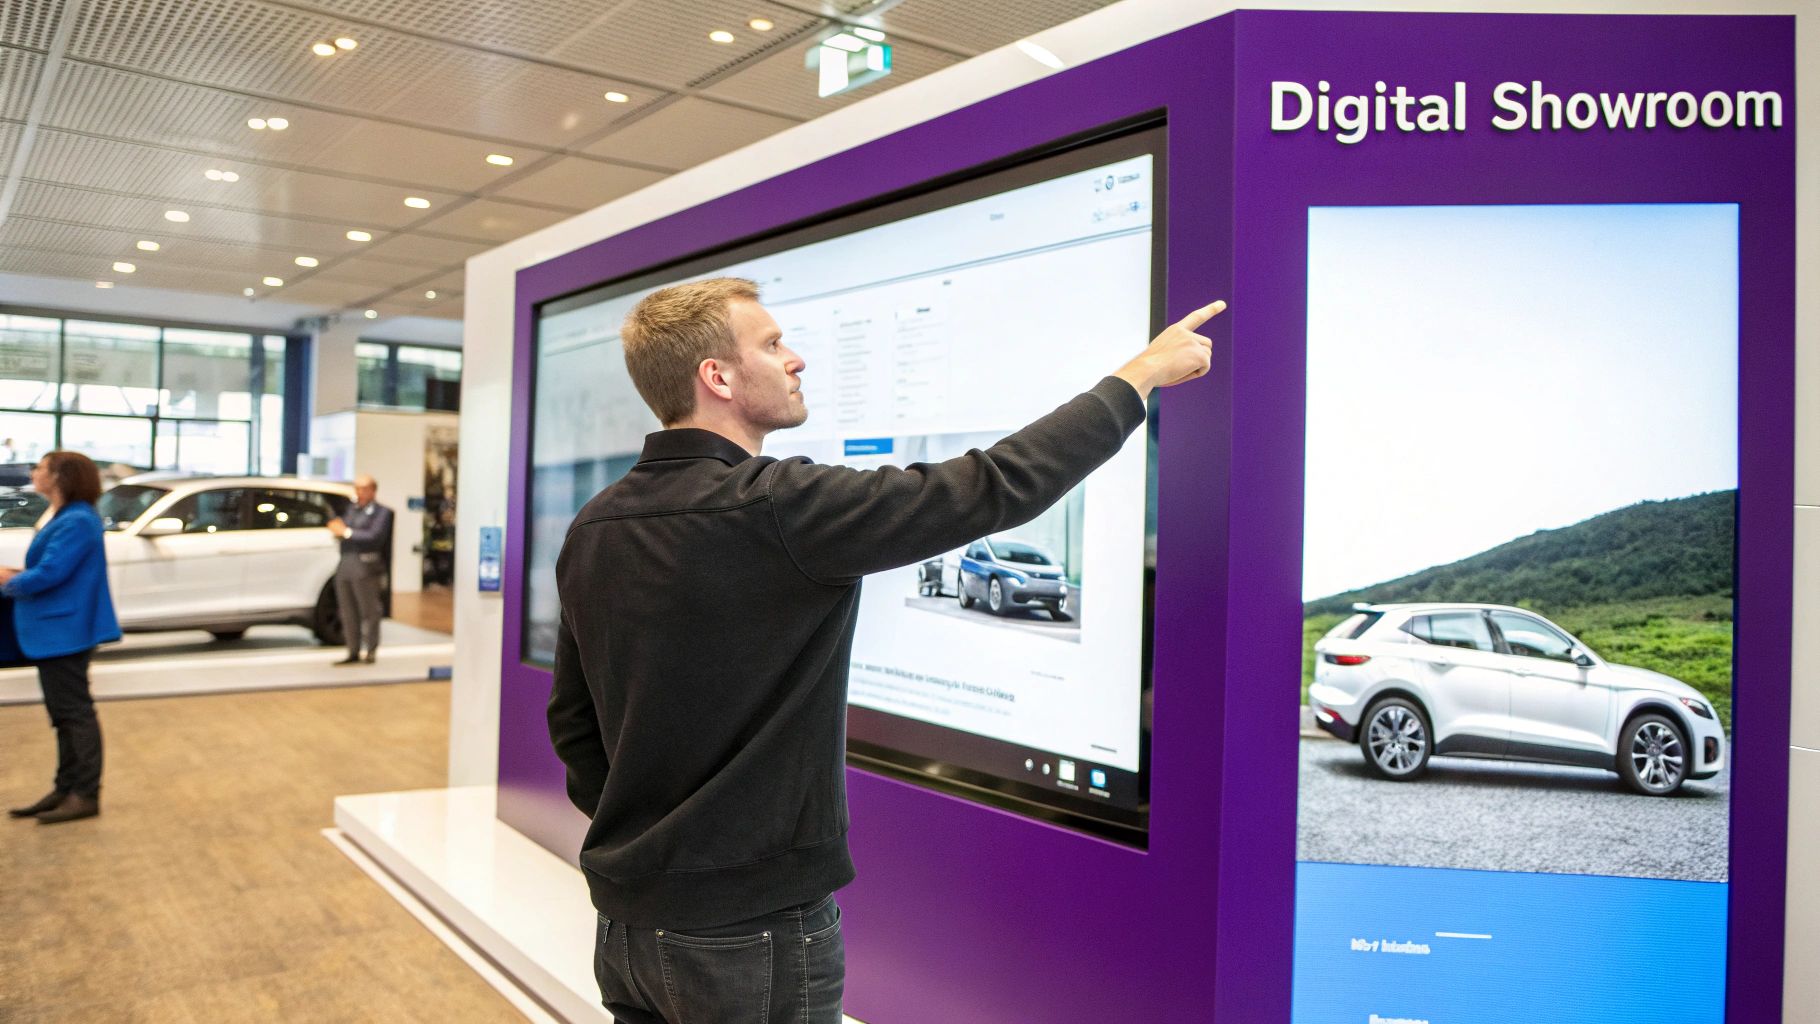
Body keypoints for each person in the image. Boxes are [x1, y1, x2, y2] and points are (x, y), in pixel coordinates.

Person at [547, 277, 1223, 1023]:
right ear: (718, 377)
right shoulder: (775, 507)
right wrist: (1140, 377)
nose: (795, 359)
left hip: (627, 929)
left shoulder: (594, 527)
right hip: (753, 935)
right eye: (772, 345)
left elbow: (575, 725)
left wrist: (652, 842)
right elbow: (990, 485)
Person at [2, 451, 122, 825]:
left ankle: (84, 794)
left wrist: (10, 580)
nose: (34, 473)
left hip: (65, 631)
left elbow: (52, 573)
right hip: (56, 629)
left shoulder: (78, 521)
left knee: (74, 714)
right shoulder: (66, 516)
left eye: (40, 468)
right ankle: (65, 788)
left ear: (59, 477)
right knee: (64, 715)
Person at [326, 474, 392, 665]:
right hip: (346, 563)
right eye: (357, 488)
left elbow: (374, 536)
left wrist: (346, 532)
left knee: (369, 610)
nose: (359, 493)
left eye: (363, 489)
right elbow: (343, 527)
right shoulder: (352, 510)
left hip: (366, 566)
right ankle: (352, 650)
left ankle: (370, 649)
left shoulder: (381, 512)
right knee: (347, 610)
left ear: (372, 490)